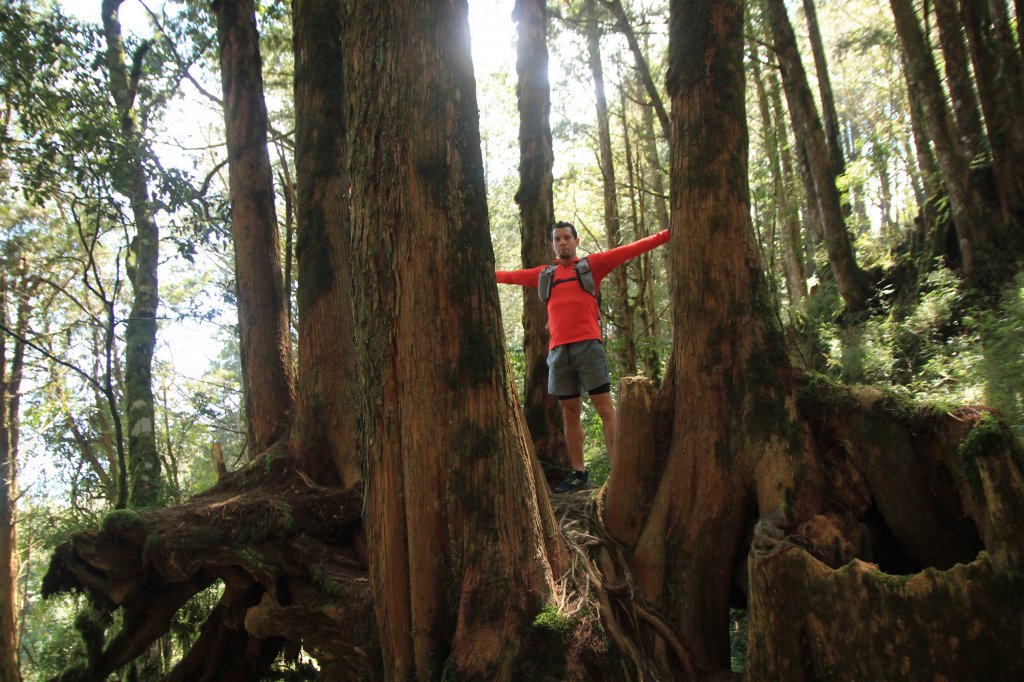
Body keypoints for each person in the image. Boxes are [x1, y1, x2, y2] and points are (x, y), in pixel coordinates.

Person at [496, 221, 670, 492]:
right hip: (558, 353)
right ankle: (579, 473)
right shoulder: (545, 275)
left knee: (604, 408)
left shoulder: (592, 266)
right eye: (557, 239)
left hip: (588, 347)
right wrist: (481, 272)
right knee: (570, 412)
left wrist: (666, 235)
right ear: (553, 245)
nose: (562, 242)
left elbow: (629, 250)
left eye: (567, 237)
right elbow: (509, 276)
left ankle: (617, 469)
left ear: (576, 242)